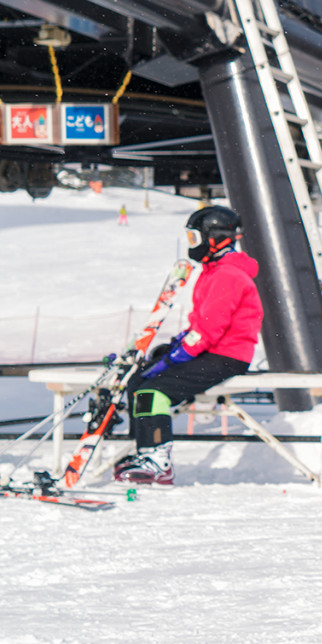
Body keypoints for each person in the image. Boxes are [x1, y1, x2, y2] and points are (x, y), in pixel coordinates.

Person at [114, 205, 264, 486]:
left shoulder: (227, 275)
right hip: (212, 350)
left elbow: (210, 328)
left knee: (152, 391)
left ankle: (158, 462)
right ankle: (144, 451)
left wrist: (178, 356)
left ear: (214, 237)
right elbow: (202, 325)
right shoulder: (214, 271)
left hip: (226, 355)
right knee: (138, 382)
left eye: (194, 238)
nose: (191, 246)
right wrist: (170, 350)